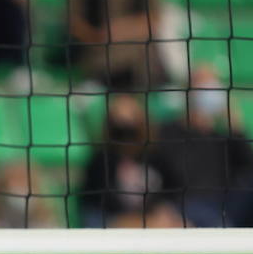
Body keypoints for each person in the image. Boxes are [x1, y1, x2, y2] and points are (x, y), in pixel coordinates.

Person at [148, 67, 253, 228]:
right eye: (204, 84)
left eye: (214, 85)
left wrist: (234, 124)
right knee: (215, 223)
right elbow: (174, 174)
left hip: (226, 204)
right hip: (188, 205)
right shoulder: (168, 132)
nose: (211, 91)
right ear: (189, 91)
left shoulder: (221, 136)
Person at [76, 94, 182, 230]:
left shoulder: (156, 157)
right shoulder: (101, 161)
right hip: (111, 220)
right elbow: (99, 202)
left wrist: (161, 210)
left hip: (152, 219)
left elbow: (172, 190)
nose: (126, 126)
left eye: (131, 117)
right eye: (120, 120)